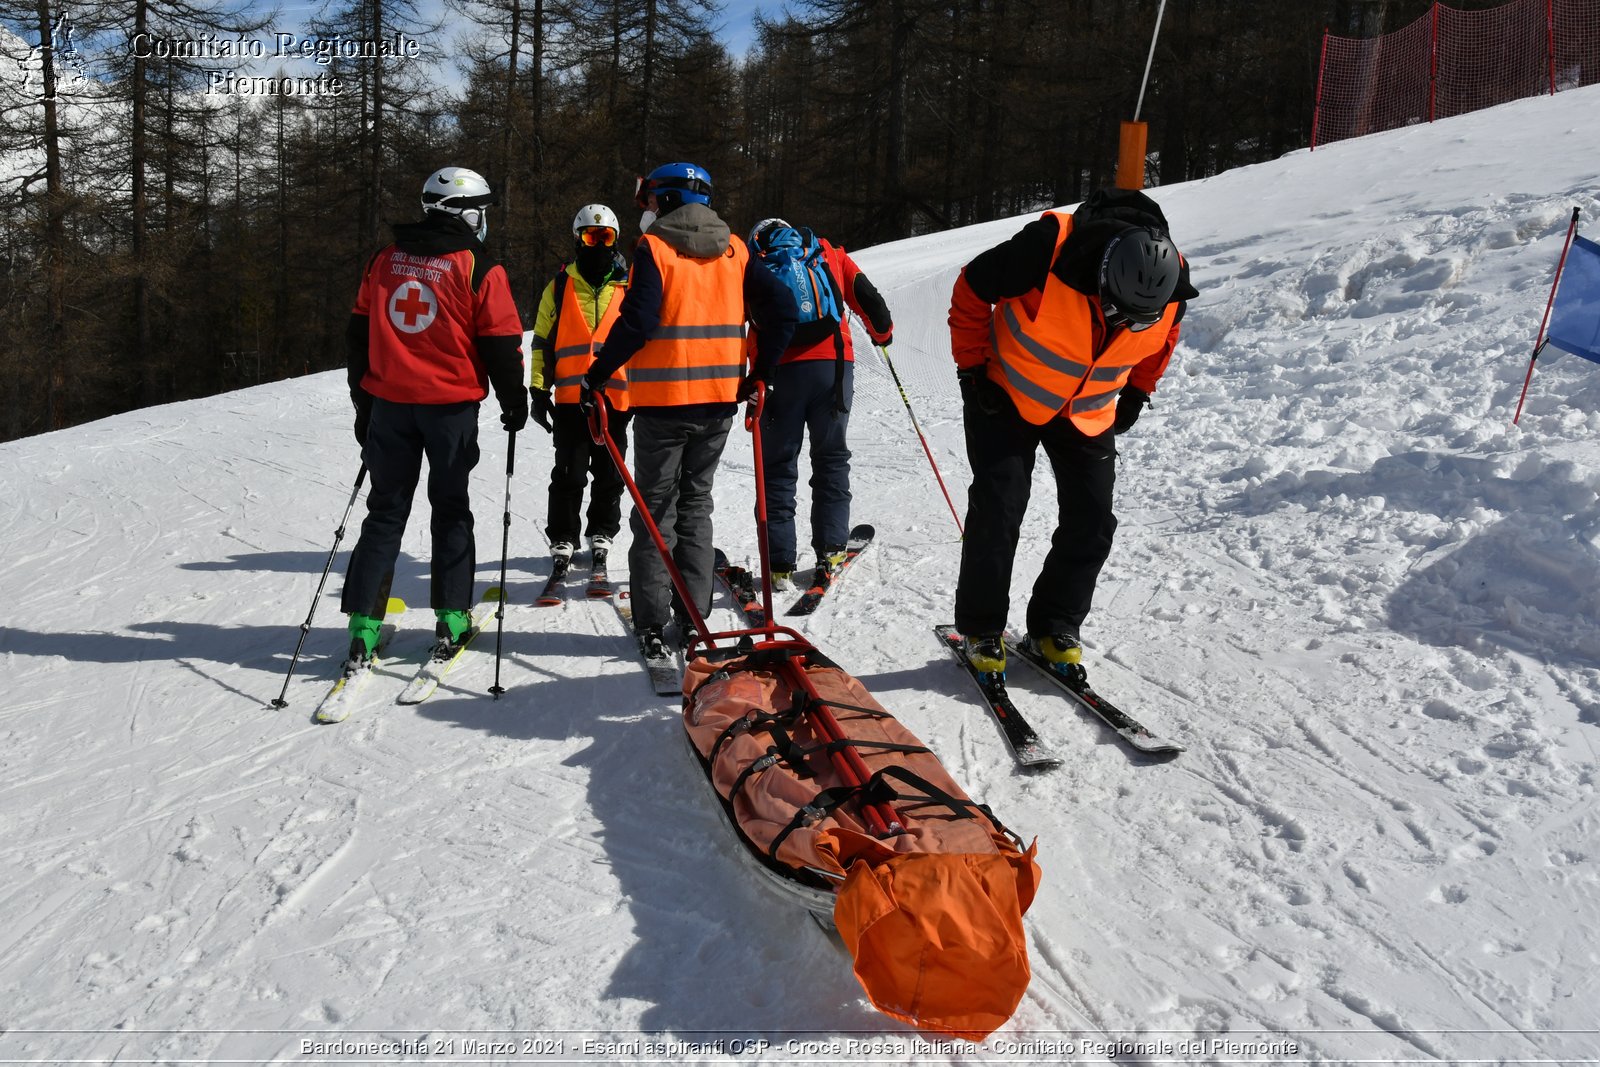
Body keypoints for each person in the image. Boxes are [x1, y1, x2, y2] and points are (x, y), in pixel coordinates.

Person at [947, 188, 1198, 677]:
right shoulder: (1047, 247)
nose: (1124, 323)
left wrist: (1137, 392)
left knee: (1093, 519)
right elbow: (972, 287)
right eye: (1117, 311)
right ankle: (980, 627)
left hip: (1085, 411)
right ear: (1102, 277)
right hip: (1005, 393)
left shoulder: (1172, 280)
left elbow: (1164, 335)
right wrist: (972, 370)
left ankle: (1054, 625)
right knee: (1000, 506)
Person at [582, 161, 798, 660]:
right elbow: (782, 309)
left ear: (671, 199)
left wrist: (597, 374)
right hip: (718, 405)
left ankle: (653, 623)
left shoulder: (654, 248)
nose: (650, 210)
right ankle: (695, 617)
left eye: (653, 200)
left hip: (662, 406)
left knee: (656, 514)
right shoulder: (737, 249)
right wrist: (761, 373)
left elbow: (638, 321)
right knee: (696, 506)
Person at [341, 165, 527, 670]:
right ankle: (450, 619)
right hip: (449, 410)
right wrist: (515, 401)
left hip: (390, 406)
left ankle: (364, 627)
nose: (485, 220)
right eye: (481, 211)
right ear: (466, 212)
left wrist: (364, 405)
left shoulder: (384, 260)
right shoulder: (478, 267)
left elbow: (358, 338)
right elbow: (501, 344)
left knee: (385, 512)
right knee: (449, 508)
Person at [746, 218, 893, 590]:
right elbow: (871, 301)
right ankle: (831, 548)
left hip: (779, 369)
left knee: (778, 466)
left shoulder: (752, 263)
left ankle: (778, 563)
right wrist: (882, 335)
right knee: (830, 458)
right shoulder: (826, 253)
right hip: (834, 368)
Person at [528, 204, 631, 576]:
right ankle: (563, 536)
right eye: (591, 236)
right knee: (569, 473)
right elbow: (542, 341)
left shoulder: (629, 285)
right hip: (571, 400)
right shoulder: (558, 287)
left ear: (615, 240)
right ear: (578, 239)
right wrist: (538, 389)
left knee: (609, 474)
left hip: (616, 398)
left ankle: (602, 532)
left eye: (605, 237)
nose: (598, 244)